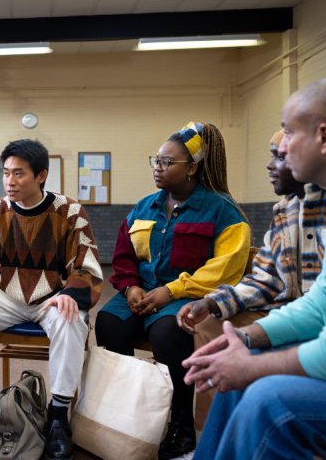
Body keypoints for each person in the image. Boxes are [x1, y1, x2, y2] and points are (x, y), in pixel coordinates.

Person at [186, 76, 326, 459]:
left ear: (324, 137)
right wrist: (246, 340)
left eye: (288, 132)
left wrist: (252, 368)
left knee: (269, 401)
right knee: (240, 369)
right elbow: (321, 304)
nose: (282, 148)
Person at [96, 122, 251, 460]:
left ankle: (181, 424)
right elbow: (123, 254)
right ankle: (128, 413)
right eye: (156, 160)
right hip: (141, 292)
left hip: (184, 298)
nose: (158, 167)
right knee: (108, 322)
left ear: (192, 168)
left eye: (167, 162)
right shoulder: (144, 207)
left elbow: (225, 268)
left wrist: (172, 290)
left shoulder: (223, 211)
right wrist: (130, 285)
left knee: (169, 331)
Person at [0, 139, 104, 460]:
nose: (10, 181)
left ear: (41, 176)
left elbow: (86, 266)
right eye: (6, 173)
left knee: (72, 319)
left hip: (53, 297)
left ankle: (58, 418)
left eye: (19, 173)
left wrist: (71, 293)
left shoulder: (70, 211)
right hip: (7, 296)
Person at [177, 130, 326, 430]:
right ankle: (212, 431)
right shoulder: (285, 211)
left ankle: (250, 425)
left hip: (322, 319)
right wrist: (212, 301)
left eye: (279, 157)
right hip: (284, 309)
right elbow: (264, 278)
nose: (270, 165)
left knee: (244, 350)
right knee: (208, 324)